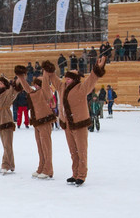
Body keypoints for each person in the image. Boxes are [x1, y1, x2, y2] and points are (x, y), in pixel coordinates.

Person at [44, 55, 108, 186]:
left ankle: (82, 175)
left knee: (81, 151)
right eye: (66, 77)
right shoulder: (61, 87)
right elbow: (53, 78)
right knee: (73, 151)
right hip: (67, 125)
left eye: (69, 78)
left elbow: (92, 79)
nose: (66, 79)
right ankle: (75, 173)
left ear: (75, 79)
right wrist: (49, 70)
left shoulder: (82, 88)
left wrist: (98, 68)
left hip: (79, 124)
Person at [15, 63, 57, 179]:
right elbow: (26, 87)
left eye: (38, 85)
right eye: (35, 85)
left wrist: (45, 72)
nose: (36, 86)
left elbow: (45, 84)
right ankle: (41, 166)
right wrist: (21, 76)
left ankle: (48, 169)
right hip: (37, 122)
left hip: (45, 121)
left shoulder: (45, 92)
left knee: (46, 146)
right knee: (40, 146)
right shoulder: (33, 93)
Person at [0, 73, 19, 175]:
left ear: (5, 85)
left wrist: (18, 78)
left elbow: (15, 88)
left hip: (6, 119)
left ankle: (5, 164)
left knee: (7, 144)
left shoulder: (8, 92)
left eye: (1, 83)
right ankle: (11, 164)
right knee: (6, 144)